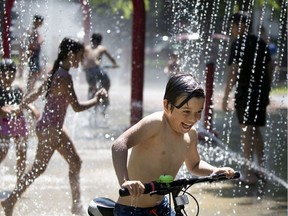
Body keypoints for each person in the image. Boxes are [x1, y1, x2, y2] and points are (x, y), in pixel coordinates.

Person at [1, 37, 108, 216]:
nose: (81, 61)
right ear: (70, 54)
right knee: (39, 168)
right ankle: (11, 200)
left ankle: (75, 205)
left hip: (50, 127)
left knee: (74, 162)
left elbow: (37, 92)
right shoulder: (64, 77)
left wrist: (23, 103)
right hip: (50, 128)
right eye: (79, 56)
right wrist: (97, 99)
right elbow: (77, 107)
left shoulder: (56, 71)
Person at [112, 73, 236, 215]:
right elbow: (119, 144)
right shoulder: (156, 124)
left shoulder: (191, 134)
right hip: (132, 210)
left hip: (161, 207)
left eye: (198, 112)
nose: (192, 119)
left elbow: (194, 165)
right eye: (186, 111)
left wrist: (213, 170)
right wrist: (125, 181)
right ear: (167, 105)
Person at [222, 11, 273, 184]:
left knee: (246, 130)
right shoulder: (259, 42)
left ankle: (249, 173)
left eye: (233, 26)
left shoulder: (238, 44)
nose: (232, 29)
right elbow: (270, 67)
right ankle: (262, 170)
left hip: (245, 92)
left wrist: (226, 95)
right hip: (260, 92)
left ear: (241, 25)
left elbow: (234, 71)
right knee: (256, 130)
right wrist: (266, 90)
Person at [0, 59, 39, 184]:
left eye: (11, 74)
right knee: (2, 151)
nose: (8, 77)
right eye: (5, 74)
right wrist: (3, 110)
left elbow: (24, 102)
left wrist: (32, 108)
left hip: (18, 123)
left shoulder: (17, 89)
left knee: (22, 153)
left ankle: (19, 183)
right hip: (3, 123)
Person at [82, 33, 118, 115]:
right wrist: (115, 65)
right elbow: (111, 58)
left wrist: (83, 66)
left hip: (88, 71)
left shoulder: (86, 48)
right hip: (97, 70)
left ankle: (90, 104)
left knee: (92, 87)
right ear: (100, 41)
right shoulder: (101, 48)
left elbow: (81, 58)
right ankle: (105, 100)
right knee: (107, 84)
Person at [26, 14, 45, 93]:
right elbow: (30, 45)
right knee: (34, 72)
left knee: (35, 72)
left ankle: (30, 88)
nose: (42, 24)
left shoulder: (34, 30)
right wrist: (39, 42)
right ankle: (29, 89)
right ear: (36, 21)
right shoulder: (32, 31)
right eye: (40, 22)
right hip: (34, 55)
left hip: (35, 55)